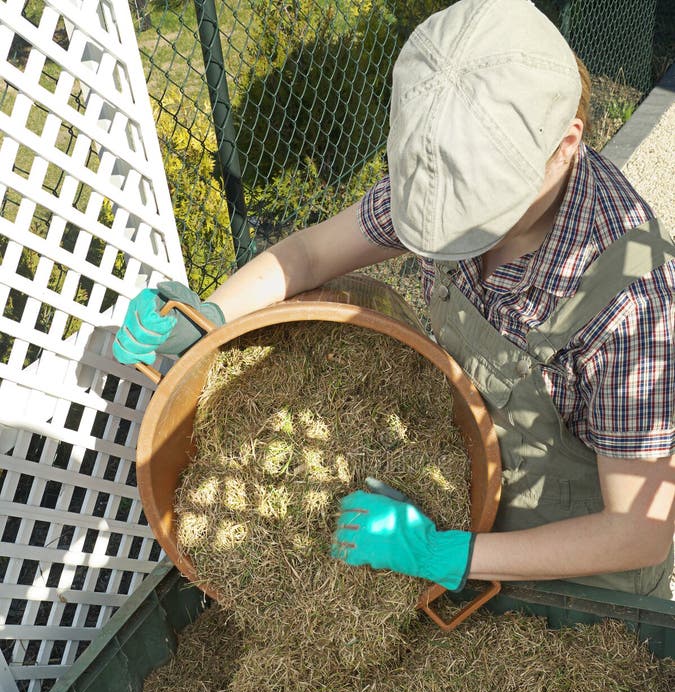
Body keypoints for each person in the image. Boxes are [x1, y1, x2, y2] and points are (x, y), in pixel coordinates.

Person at [113, 0, 674, 599]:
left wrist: (441, 553)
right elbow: (309, 255)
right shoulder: (446, 169)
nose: (456, 231)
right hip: (468, 500)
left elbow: (639, 530)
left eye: (479, 214)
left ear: (564, 146)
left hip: (580, 573)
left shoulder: (633, 303)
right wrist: (212, 321)